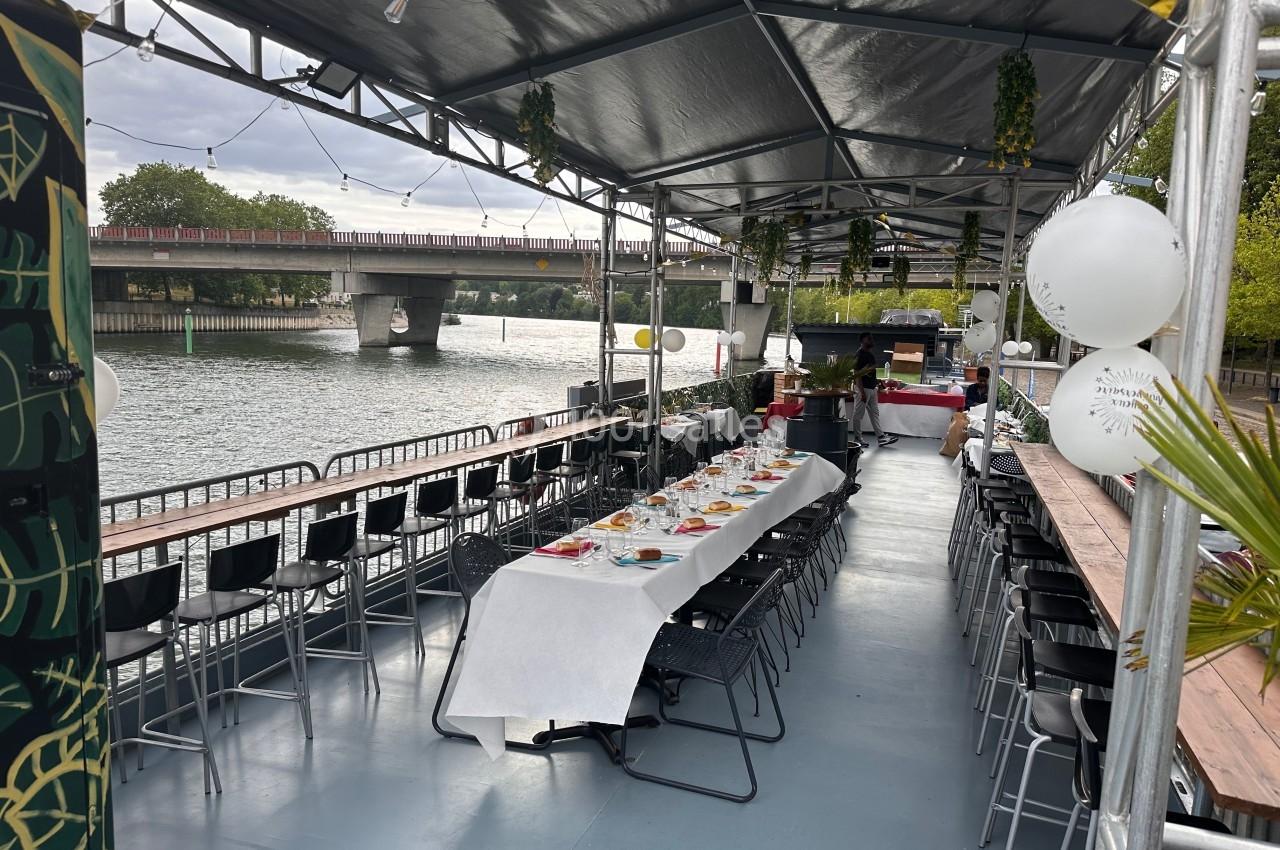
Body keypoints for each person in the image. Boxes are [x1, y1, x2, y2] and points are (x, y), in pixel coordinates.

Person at [850, 333, 898, 448]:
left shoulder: (870, 355)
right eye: (868, 339)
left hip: (872, 388)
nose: (871, 340)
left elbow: (872, 373)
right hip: (863, 389)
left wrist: (879, 386)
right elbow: (857, 375)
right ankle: (857, 438)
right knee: (858, 414)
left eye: (871, 339)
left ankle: (881, 437)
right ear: (862, 341)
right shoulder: (859, 355)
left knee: (874, 413)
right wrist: (861, 392)